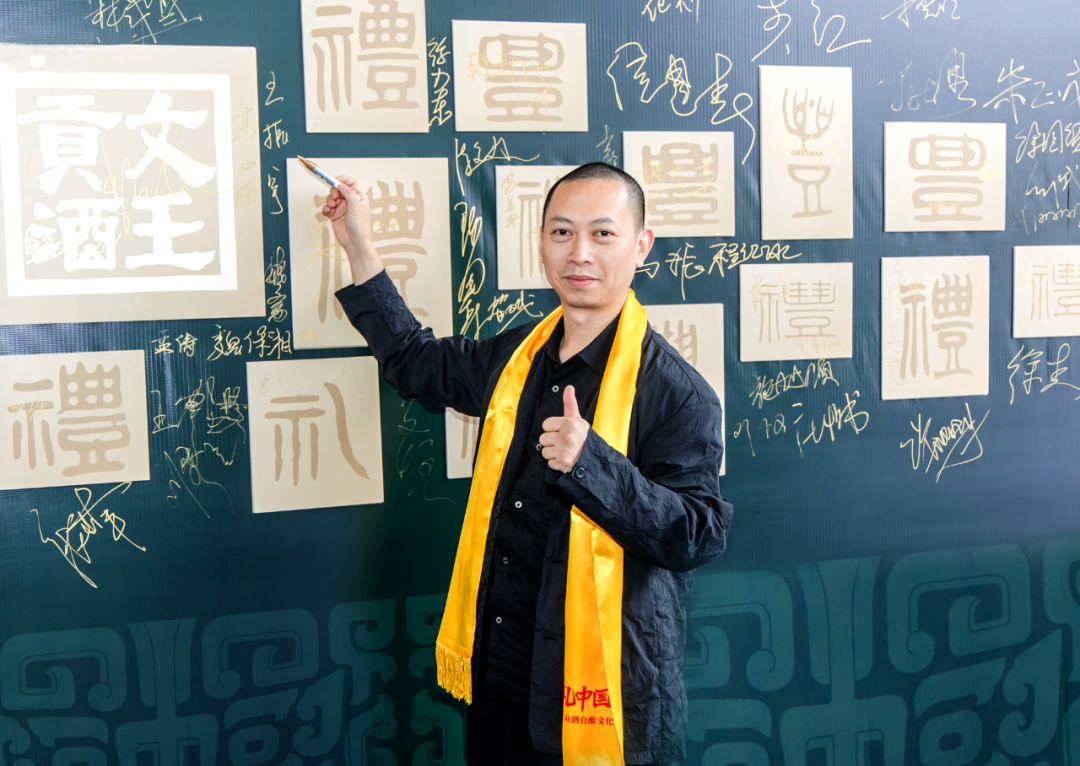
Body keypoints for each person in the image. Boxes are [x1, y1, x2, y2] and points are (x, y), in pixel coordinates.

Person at [327, 162, 733, 766]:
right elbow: (418, 364)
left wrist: (591, 462)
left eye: (603, 233)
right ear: (541, 241)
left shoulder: (677, 392)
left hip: (606, 691)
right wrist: (359, 244)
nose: (580, 253)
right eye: (562, 232)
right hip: (502, 673)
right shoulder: (518, 355)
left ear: (641, 245)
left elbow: (698, 534)